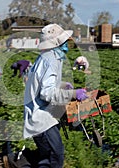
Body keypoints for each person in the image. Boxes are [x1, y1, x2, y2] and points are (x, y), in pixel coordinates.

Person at [22, 23, 88, 167]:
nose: (67, 45)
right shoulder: (51, 60)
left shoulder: (48, 57)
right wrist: (72, 94)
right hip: (40, 117)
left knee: (50, 155)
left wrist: (62, 85)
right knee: (54, 156)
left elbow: (43, 83)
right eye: (65, 42)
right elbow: (46, 93)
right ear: (58, 43)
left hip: (44, 115)